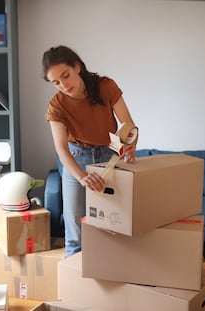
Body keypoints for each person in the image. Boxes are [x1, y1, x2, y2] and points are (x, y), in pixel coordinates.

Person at [42, 46, 137, 257]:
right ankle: (75, 286)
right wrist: (82, 177)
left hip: (109, 154)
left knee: (115, 225)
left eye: (65, 76)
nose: (63, 85)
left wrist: (130, 145)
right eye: (56, 82)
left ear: (77, 67)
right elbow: (61, 148)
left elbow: (127, 124)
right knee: (75, 234)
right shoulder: (56, 106)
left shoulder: (105, 87)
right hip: (77, 159)